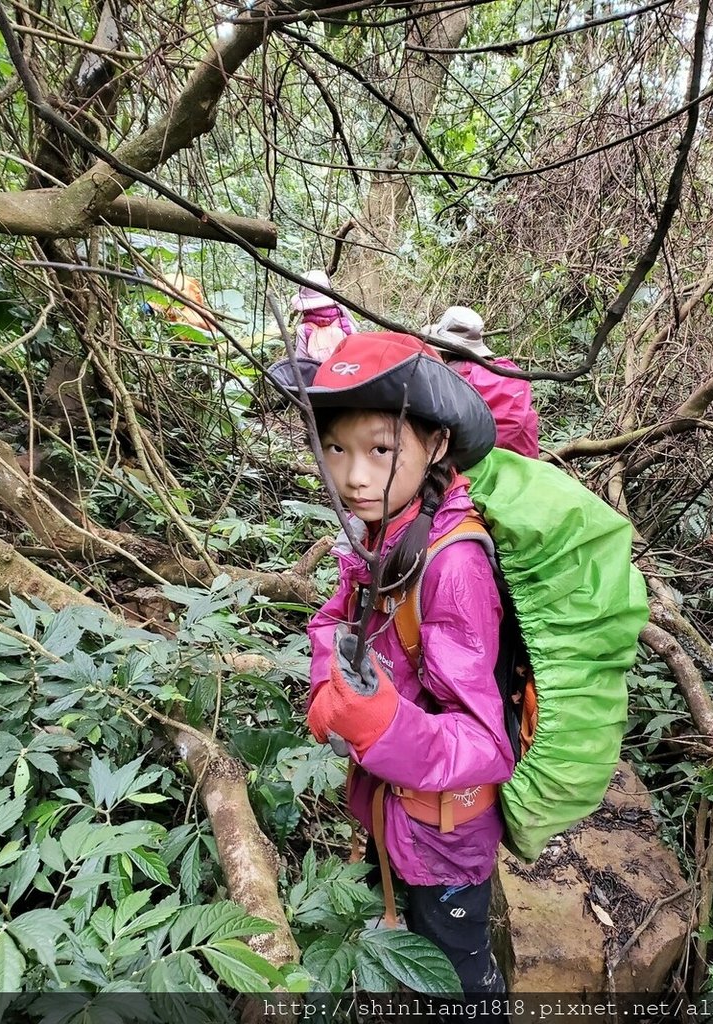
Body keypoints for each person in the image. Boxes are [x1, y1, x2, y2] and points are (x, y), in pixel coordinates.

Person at [270, 332, 514, 995]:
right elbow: (333, 618)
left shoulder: (452, 565)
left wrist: (382, 726)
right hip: (394, 810)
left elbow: (489, 743)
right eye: (337, 449)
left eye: (381, 449)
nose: (353, 476)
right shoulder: (382, 533)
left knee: (460, 971)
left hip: (446, 835)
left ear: (435, 445)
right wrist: (327, 678)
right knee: (418, 932)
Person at [422, 306, 539, 458]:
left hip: (475, 467)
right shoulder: (510, 371)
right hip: (526, 465)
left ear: (443, 348)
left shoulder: (451, 377)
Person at [291, 269, 357, 362]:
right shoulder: (346, 325)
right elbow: (359, 352)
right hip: (346, 371)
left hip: (319, 375)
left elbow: (301, 362)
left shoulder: (304, 330)